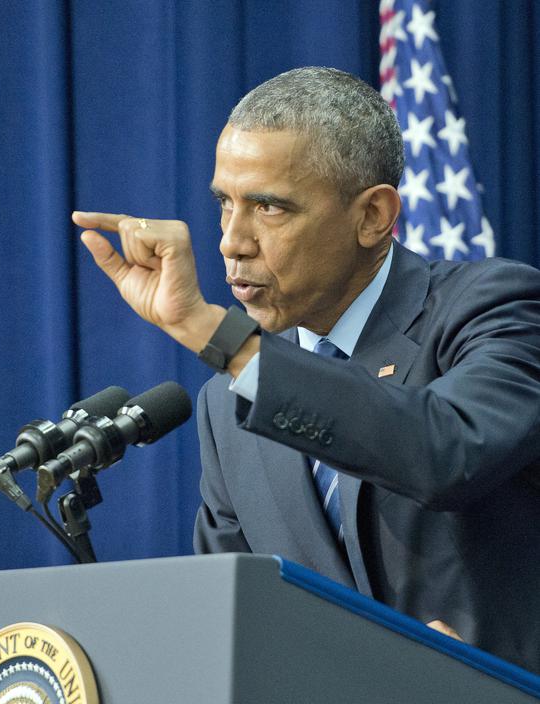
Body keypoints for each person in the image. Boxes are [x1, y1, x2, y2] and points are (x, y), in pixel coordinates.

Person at [72, 66, 540, 673]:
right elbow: (232, 622)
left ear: (373, 215)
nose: (230, 241)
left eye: (268, 207)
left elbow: (446, 450)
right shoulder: (228, 402)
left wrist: (216, 334)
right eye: (224, 204)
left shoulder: (492, 306)